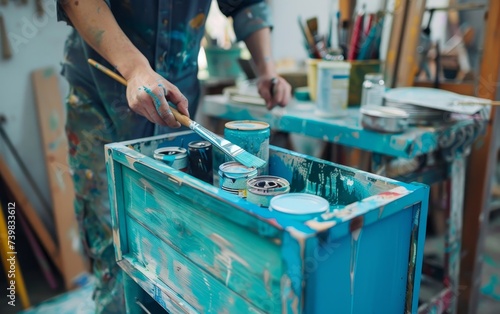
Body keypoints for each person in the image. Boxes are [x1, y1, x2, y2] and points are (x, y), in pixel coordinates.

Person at [56, 0, 291, 312]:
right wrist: (135, 67)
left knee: (176, 246)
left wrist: (266, 70)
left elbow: (246, 3)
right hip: (103, 97)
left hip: (176, 101)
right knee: (115, 245)